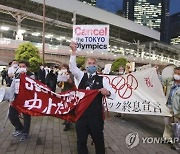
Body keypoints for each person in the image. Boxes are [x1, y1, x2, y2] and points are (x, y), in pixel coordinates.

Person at [69, 42, 115, 154]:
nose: (91, 65)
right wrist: (74, 52)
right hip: (81, 116)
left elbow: (112, 94)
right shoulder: (80, 76)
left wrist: (107, 92)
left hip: (96, 117)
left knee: (99, 141)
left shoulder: (102, 79)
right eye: (89, 63)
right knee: (81, 142)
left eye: (94, 63)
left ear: (96, 66)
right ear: (86, 66)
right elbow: (72, 67)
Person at [8, 61, 34, 142]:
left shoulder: (31, 75)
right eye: (20, 66)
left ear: (27, 67)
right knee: (11, 115)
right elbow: (12, 86)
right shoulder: (17, 74)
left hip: (26, 99)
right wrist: (11, 98)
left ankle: (25, 132)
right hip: (16, 97)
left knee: (26, 116)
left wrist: (25, 76)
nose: (21, 68)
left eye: (23, 66)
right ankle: (19, 128)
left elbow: (32, 87)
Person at [163, 67, 180, 148]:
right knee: (167, 123)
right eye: (175, 73)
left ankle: (176, 142)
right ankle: (167, 137)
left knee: (176, 126)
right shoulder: (170, 82)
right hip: (168, 106)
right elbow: (161, 80)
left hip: (177, 109)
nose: (176, 75)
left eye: (179, 74)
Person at [57, 63, 75, 131]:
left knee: (69, 108)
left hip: (69, 93)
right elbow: (59, 85)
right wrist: (60, 82)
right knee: (64, 107)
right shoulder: (61, 74)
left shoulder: (70, 75)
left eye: (64, 68)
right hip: (63, 92)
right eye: (62, 68)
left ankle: (68, 123)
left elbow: (73, 84)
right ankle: (65, 120)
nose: (63, 69)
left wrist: (69, 81)